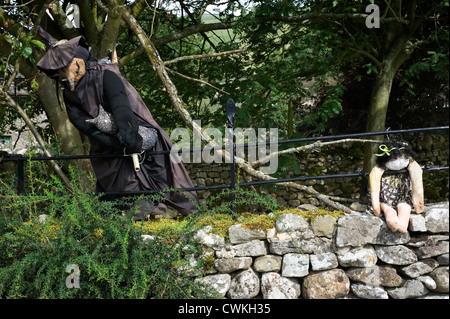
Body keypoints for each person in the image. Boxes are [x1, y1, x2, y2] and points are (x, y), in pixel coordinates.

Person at [36, 27, 199, 220]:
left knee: (164, 177)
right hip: (106, 147)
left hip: (137, 134)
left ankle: (184, 218)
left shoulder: (106, 75)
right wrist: (108, 141)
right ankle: (127, 225)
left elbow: (121, 107)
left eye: (65, 68)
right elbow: (80, 122)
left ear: (78, 61)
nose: (63, 75)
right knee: (118, 188)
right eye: (59, 71)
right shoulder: (69, 93)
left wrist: (129, 138)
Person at [368, 140, 424, 233]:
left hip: (404, 196)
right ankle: (390, 214)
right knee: (386, 208)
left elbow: (417, 183)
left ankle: (402, 224)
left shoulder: (411, 165)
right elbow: (374, 187)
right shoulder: (379, 169)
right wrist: (376, 208)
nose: (399, 162)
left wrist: (419, 204)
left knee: (405, 207)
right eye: (395, 159)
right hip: (384, 198)